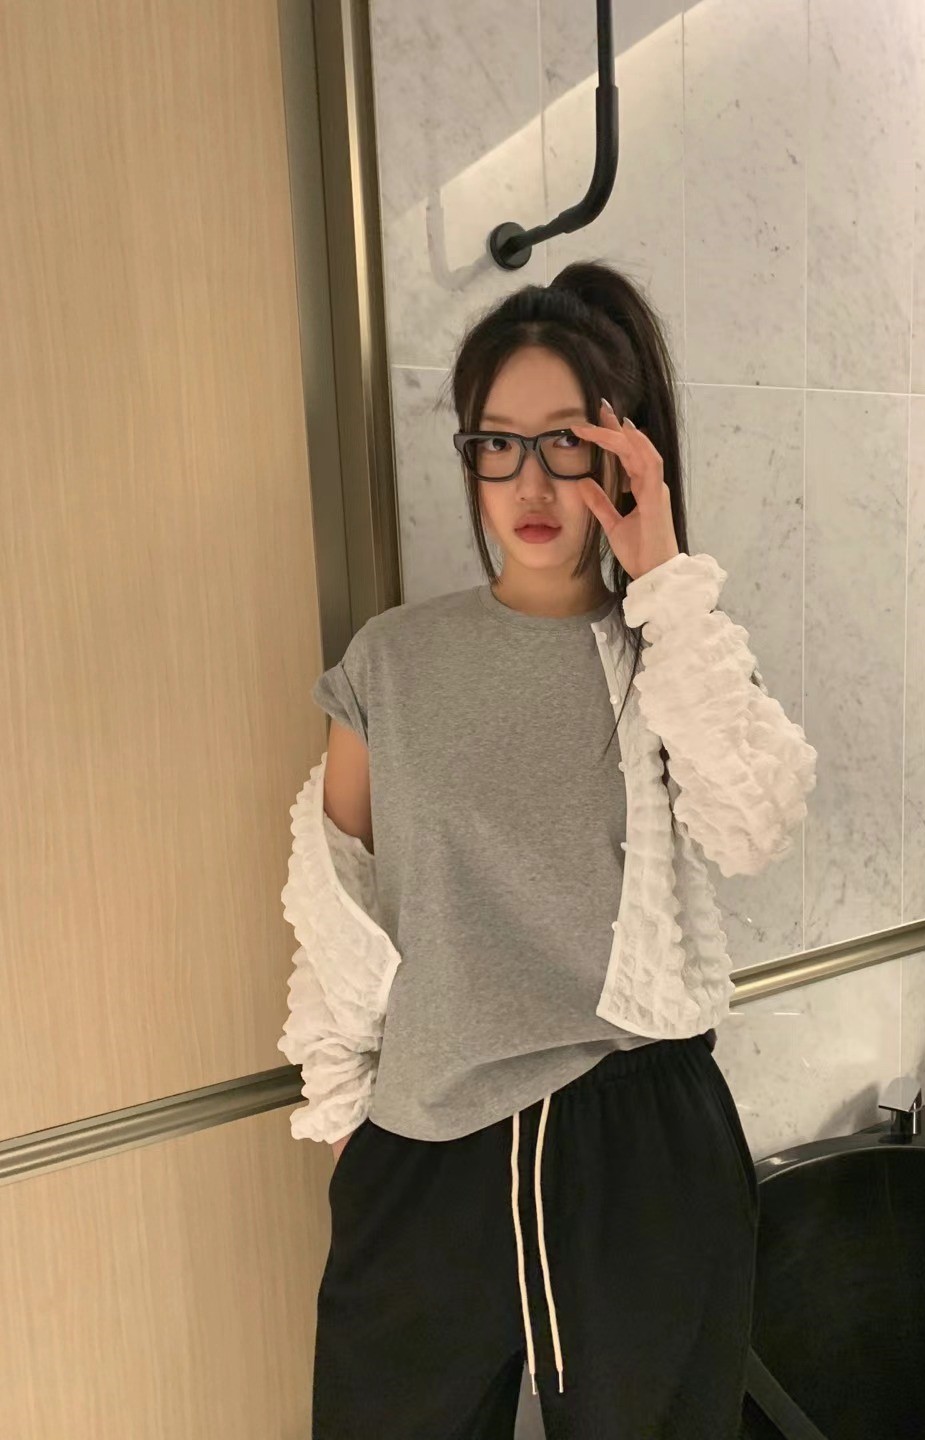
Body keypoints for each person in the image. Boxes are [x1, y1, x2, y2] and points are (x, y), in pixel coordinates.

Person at [277, 260, 818, 1439]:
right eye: (498, 445)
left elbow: (755, 824)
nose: (530, 482)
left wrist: (665, 578)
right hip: (427, 1149)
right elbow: (339, 904)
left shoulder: (668, 655)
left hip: (637, 1144)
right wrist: (348, 1113)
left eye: (566, 443)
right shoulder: (390, 663)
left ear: (623, 455)